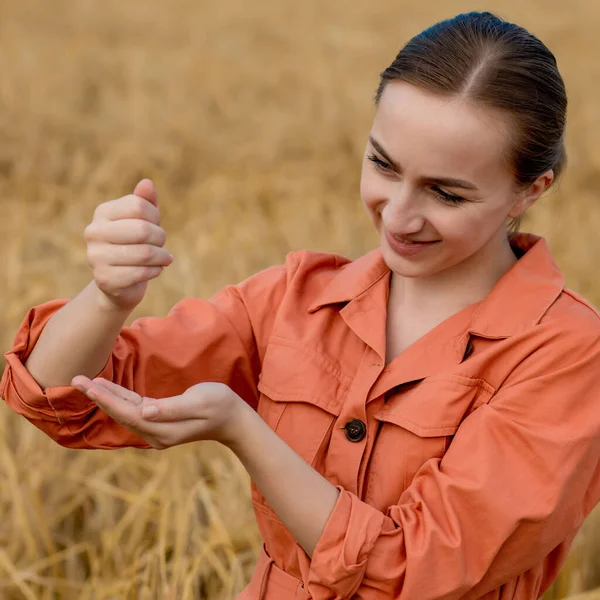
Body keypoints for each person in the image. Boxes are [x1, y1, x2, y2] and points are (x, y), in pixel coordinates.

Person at [2, 10, 599, 600]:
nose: (397, 214)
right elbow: (59, 400)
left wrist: (243, 431)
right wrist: (107, 297)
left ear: (532, 188)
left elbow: (417, 572)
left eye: (446, 192)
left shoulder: (570, 355)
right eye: (383, 165)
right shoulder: (297, 298)